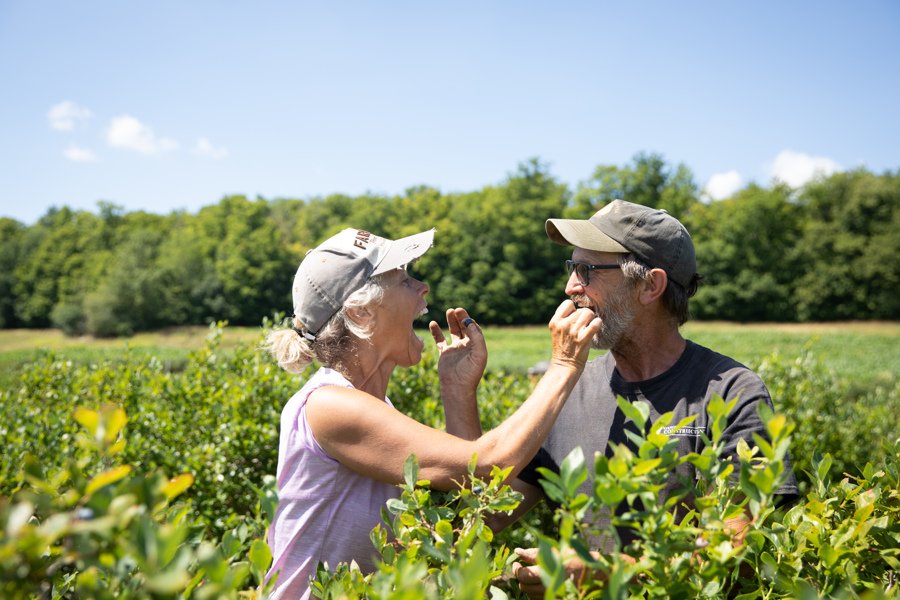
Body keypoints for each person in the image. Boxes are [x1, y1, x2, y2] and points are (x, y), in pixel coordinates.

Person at [262, 227, 601, 599]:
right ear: (361, 312)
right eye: (405, 279)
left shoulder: (371, 407)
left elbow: (470, 506)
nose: (423, 287)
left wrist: (457, 390)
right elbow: (487, 466)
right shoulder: (330, 406)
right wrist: (564, 363)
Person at [500, 200, 800, 597]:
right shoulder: (566, 388)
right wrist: (459, 389)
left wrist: (615, 574)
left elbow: (741, 557)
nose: (571, 287)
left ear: (650, 285)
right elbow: (485, 514)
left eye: (587, 271)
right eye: (571, 268)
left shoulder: (731, 391)